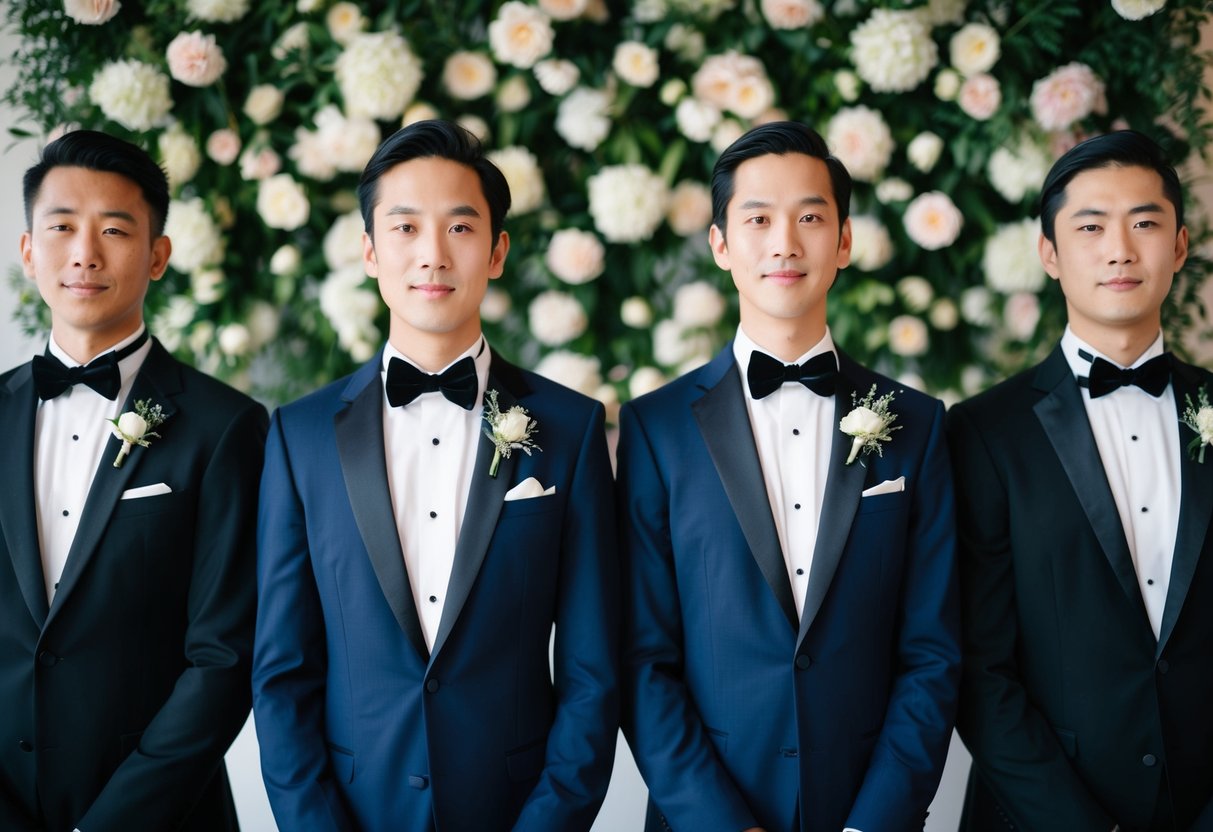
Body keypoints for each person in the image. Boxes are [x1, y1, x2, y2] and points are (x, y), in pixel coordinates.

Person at [251, 119, 618, 832]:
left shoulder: (570, 430)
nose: (431, 255)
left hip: (513, 810)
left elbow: (592, 672)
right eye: (405, 228)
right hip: (354, 810)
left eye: (458, 229)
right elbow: (282, 674)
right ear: (367, 250)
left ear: (497, 251)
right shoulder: (299, 436)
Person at [616, 121, 960, 832]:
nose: (784, 242)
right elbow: (642, 658)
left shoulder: (918, 425)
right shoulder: (655, 428)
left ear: (843, 242)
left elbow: (931, 651)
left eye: (809, 217)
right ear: (719, 244)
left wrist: (876, 822)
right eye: (758, 219)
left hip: (867, 809)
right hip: (706, 814)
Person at [0, 130, 265, 831]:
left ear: (157, 256)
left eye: (114, 230)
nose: (84, 253)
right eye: (61, 228)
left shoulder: (226, 427)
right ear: (29, 252)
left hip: (164, 817)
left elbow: (224, 655)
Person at [949, 130, 1213, 830]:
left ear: (1179, 246)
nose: (1120, 249)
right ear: (1049, 254)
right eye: (1090, 226)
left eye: (1145, 223)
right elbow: (979, 669)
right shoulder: (982, 433)